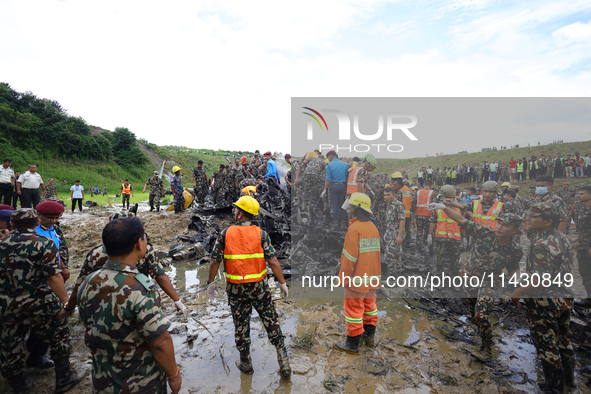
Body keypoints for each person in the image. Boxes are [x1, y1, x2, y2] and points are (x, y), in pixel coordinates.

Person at [77, 217, 182, 394]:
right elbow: (160, 342)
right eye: (144, 237)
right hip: (140, 382)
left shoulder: (89, 281)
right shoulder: (140, 289)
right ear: (139, 244)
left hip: (102, 380)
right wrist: (174, 375)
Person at [206, 196, 291, 376]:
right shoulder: (261, 234)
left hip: (236, 290)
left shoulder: (225, 233)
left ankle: (246, 363)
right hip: (259, 288)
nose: (234, 211)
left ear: (240, 214)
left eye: (236, 209)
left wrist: (211, 282)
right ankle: (283, 362)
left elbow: (215, 261)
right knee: (271, 320)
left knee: (241, 325)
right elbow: (273, 261)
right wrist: (282, 283)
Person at [0, 209, 80, 393]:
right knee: (59, 335)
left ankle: (19, 385)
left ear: (12, 224)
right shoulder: (44, 244)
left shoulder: (2, 243)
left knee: (10, 342)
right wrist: (66, 302)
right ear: (36, 222)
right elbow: (54, 277)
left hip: (7, 304)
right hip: (40, 302)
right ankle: (64, 379)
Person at [431, 202, 523, 363]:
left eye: (505, 225)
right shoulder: (484, 233)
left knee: (481, 314)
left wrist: (517, 281)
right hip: (470, 277)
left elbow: (513, 267)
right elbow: (461, 220)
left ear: (515, 230)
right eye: (499, 222)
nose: (499, 227)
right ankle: (480, 330)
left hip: (490, 282)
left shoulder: (515, 249)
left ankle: (487, 349)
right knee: (474, 311)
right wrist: (443, 207)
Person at [66, 211, 186, 316]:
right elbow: (160, 276)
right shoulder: (144, 249)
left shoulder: (95, 254)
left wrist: (69, 307)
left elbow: (79, 285)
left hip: (103, 306)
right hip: (135, 301)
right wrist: (177, 301)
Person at [510, 203, 575, 392]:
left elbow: (539, 281)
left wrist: (518, 292)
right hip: (564, 297)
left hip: (545, 301)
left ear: (547, 222)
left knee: (547, 345)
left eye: (533, 215)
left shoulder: (541, 245)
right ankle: (570, 381)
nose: (528, 217)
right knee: (564, 339)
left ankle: (553, 387)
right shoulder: (562, 238)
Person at [334, 193, 381, 354]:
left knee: (353, 310)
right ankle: (369, 338)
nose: (348, 210)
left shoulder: (354, 229)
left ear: (357, 210)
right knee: (370, 306)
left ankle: (352, 344)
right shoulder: (373, 227)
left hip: (356, 279)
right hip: (372, 278)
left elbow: (349, 258)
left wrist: (343, 278)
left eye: (351, 207)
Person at [428, 185, 463, 274]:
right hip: (441, 238)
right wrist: (429, 235)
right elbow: (433, 221)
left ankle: (455, 280)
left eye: (453, 197)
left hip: (455, 239)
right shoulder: (437, 207)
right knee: (440, 261)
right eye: (449, 197)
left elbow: (463, 222)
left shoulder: (458, 207)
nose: (451, 199)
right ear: (443, 197)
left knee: (455, 262)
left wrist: (465, 237)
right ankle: (439, 279)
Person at [382, 186, 406, 275]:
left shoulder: (398, 205)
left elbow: (402, 221)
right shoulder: (389, 205)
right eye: (384, 195)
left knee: (388, 256)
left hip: (396, 233)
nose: (386, 197)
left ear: (394, 195)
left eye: (388, 195)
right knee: (396, 256)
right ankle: (398, 274)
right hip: (389, 233)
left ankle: (391, 276)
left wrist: (399, 236)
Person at [322, 150, 348, 228]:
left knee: (335, 206)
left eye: (328, 158)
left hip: (334, 186)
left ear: (330, 157)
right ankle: (343, 223)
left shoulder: (329, 165)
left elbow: (327, 178)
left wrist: (325, 189)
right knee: (343, 205)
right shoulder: (344, 165)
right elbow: (346, 175)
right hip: (343, 186)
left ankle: (335, 224)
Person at [575, 185, 591, 303]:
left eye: (582, 194)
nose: (578, 195)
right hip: (582, 247)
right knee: (585, 274)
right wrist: (578, 241)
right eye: (578, 193)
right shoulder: (583, 208)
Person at [415, 180, 434, 252]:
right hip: (428, 215)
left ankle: (418, 245)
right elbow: (434, 203)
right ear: (430, 186)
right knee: (428, 231)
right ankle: (427, 244)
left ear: (423, 185)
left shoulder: (418, 192)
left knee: (419, 231)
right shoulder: (432, 192)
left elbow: (414, 202)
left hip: (419, 214)